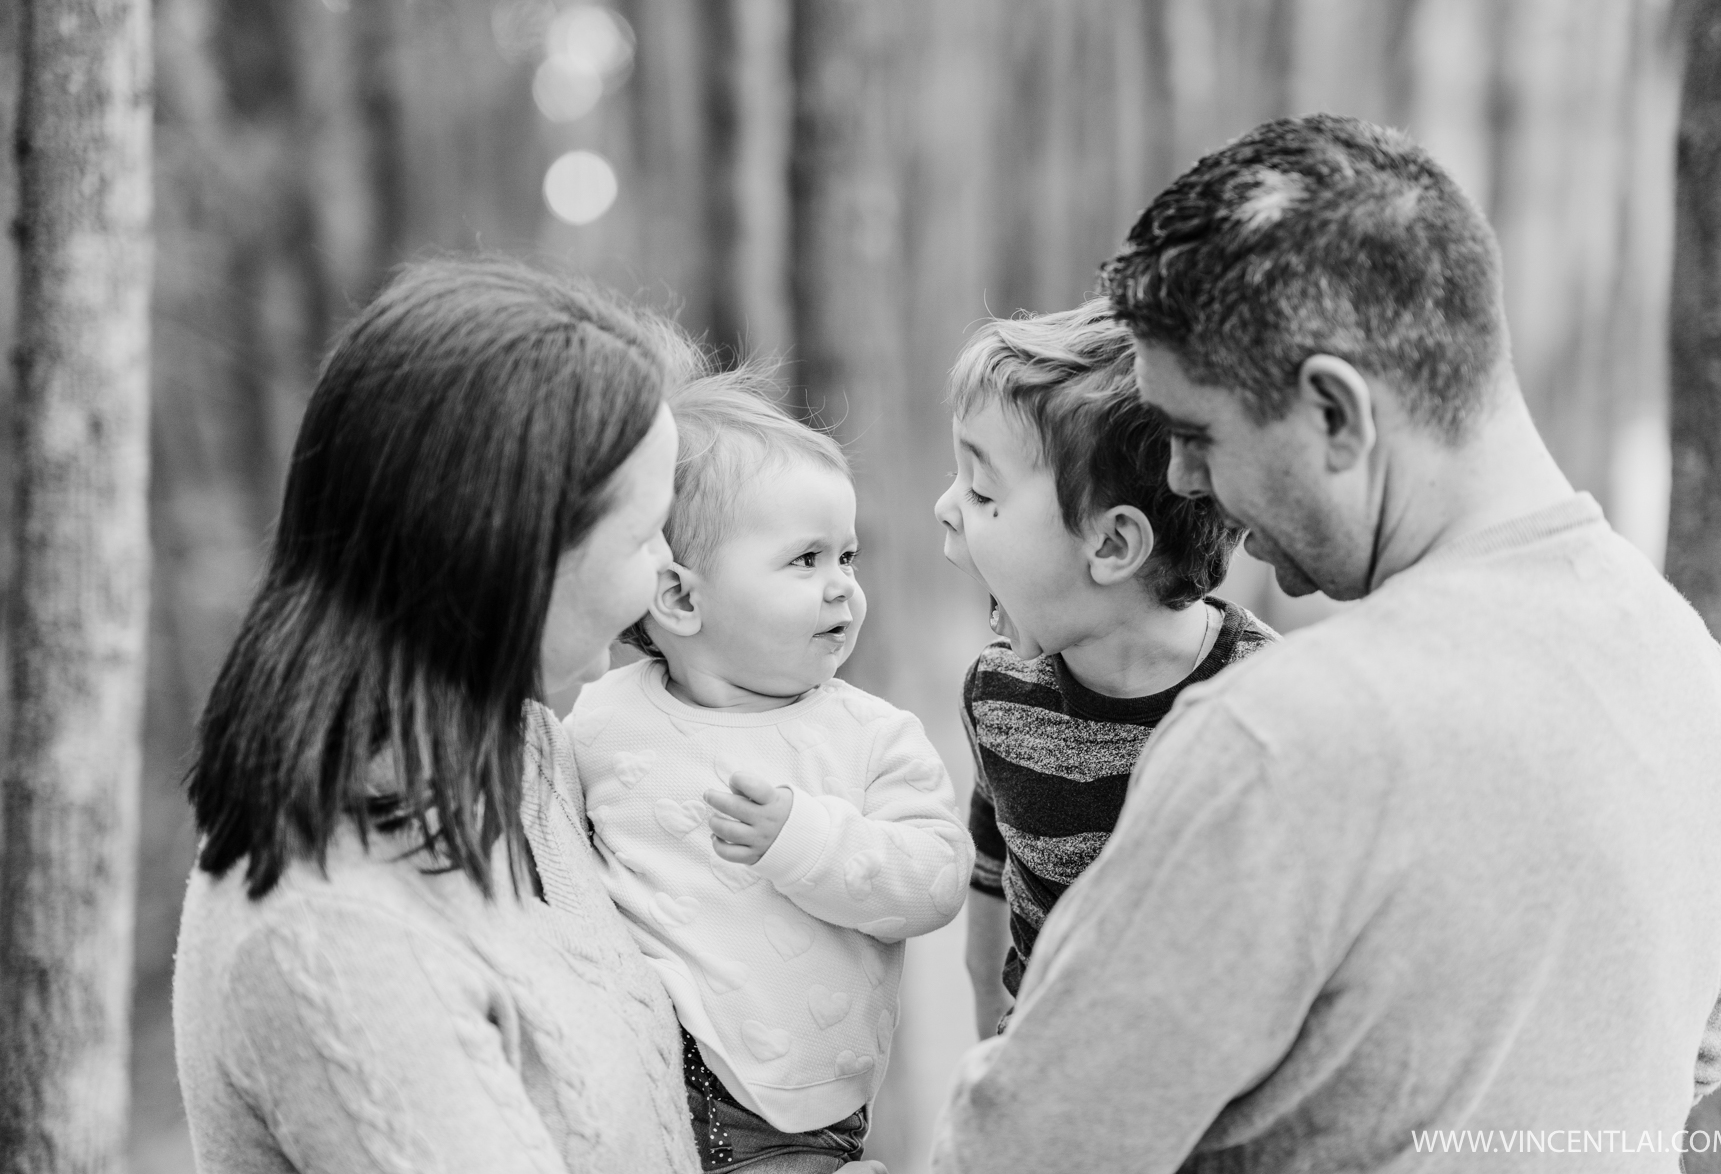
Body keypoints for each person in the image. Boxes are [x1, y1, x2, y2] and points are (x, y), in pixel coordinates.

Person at [933, 115, 1721, 1173]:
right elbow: (1691, 1056)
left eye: (1198, 437)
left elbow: (1026, 1152)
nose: (1183, 482)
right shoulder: (1691, 672)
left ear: (1334, 411)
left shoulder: (1277, 739)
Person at [172, 258, 888, 1174]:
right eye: (644, 537)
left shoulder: (527, 753)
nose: (665, 577)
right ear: (515, 554)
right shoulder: (336, 938)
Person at [567, 370, 973, 1172]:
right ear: (681, 600)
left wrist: (808, 842)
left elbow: (935, 879)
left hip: (782, 1120)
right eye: (806, 559)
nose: (844, 588)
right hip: (634, 1080)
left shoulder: (867, 736)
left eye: (848, 556)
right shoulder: (601, 722)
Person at [932, 300, 1276, 1039]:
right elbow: (994, 861)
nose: (946, 508)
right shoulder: (998, 694)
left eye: (983, 492)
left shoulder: (1270, 710)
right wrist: (992, 1036)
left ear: (1113, 544)